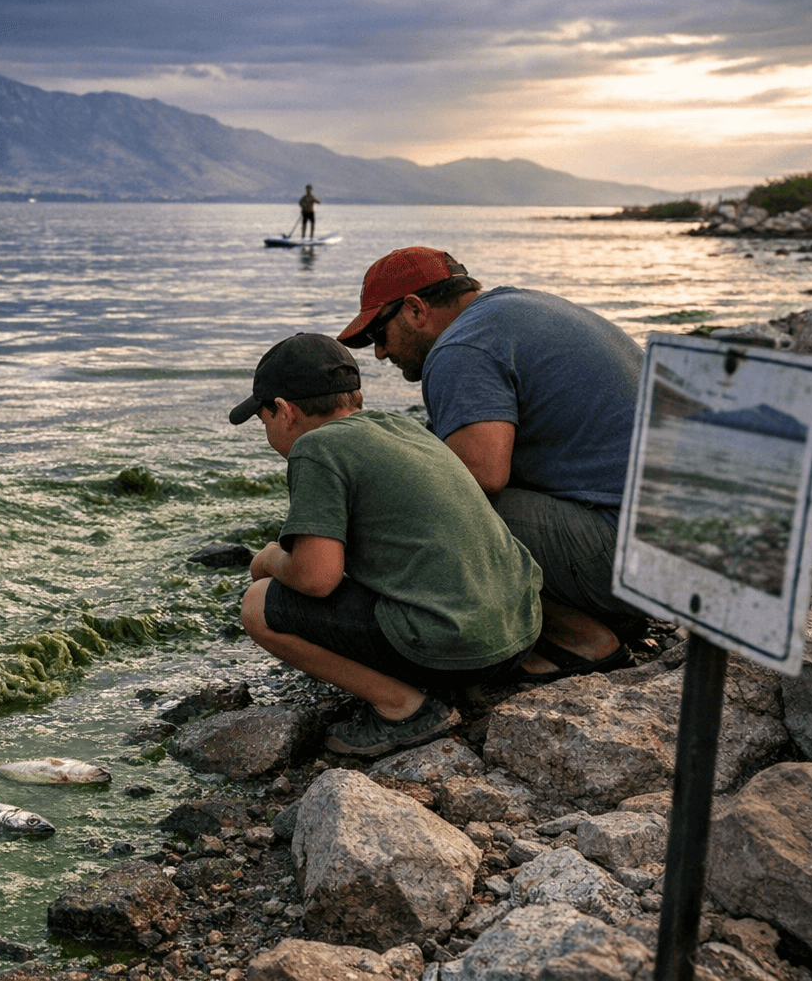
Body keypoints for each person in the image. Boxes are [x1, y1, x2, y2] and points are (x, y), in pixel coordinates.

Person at [336, 246, 644, 678]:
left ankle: (581, 638)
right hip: (687, 549)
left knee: (423, 509)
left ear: (414, 309)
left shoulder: (460, 347)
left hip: (635, 560)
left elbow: (476, 478)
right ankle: (599, 614)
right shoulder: (523, 307)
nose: (380, 355)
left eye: (378, 336)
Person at [231, 332, 544, 756]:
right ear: (354, 397)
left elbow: (317, 578)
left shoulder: (316, 448)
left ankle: (404, 709)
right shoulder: (401, 428)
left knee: (258, 604)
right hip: (519, 635)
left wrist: (270, 558)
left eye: (264, 420)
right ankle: (459, 685)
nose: (268, 431)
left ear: (285, 411)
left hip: (458, 646)